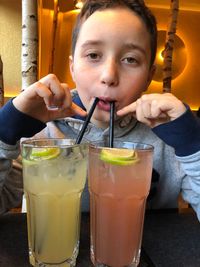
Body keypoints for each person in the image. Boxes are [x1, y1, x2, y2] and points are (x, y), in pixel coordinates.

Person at [0, 0, 200, 219]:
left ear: (149, 77)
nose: (109, 76)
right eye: (94, 55)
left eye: (130, 59)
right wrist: (4, 130)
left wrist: (193, 145)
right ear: (72, 68)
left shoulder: (169, 139)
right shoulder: (41, 133)